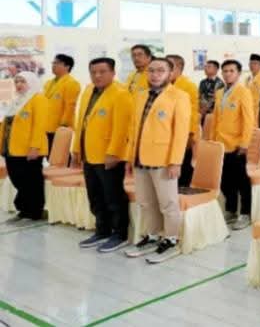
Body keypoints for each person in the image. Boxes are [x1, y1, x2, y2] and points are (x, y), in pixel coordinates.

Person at [124, 58, 190, 264]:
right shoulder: (140, 95)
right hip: (140, 158)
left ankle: (171, 239)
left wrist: (176, 161)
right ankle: (152, 236)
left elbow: (181, 133)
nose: (155, 74)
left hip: (164, 159)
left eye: (161, 70)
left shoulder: (179, 96)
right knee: (146, 201)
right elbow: (133, 129)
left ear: (170, 74)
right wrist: (129, 157)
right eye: (151, 70)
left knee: (168, 203)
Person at [72, 58, 133, 252]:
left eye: (102, 71)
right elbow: (80, 122)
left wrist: (114, 153)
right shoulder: (88, 91)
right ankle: (102, 230)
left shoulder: (121, 94)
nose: (97, 76)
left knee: (113, 196)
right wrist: (76, 148)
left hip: (108, 155)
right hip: (89, 153)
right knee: (95, 195)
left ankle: (119, 233)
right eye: (93, 72)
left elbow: (122, 129)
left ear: (113, 73)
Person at [213, 60, 255, 231]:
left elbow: (248, 120)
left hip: (237, 145)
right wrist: (212, 141)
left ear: (238, 73)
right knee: (225, 180)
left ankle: (245, 213)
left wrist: (244, 143)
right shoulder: (219, 92)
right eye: (225, 71)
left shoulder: (243, 92)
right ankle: (230, 210)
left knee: (241, 181)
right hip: (220, 144)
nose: (228, 74)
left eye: (231, 71)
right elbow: (216, 119)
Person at [1, 72, 48, 222]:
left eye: (22, 81)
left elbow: (39, 125)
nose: (19, 84)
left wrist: (34, 147)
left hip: (29, 149)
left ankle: (34, 212)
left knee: (31, 181)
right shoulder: (16, 101)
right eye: (16, 82)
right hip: (11, 148)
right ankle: (23, 210)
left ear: (31, 82)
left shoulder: (38, 99)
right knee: (17, 179)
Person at [166, 55, 200, 188]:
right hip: (167, 133)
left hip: (185, 134)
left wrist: (190, 135)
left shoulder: (188, 86)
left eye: (170, 65)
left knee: (184, 166)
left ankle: (184, 191)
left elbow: (193, 113)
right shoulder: (165, 85)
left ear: (179, 67)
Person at [43, 53, 81, 150]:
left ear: (67, 66)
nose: (53, 65)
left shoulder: (72, 83)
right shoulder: (48, 83)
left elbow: (70, 107)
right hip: (46, 126)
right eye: (53, 63)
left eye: (57, 63)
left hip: (60, 128)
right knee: (50, 155)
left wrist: (63, 126)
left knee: (61, 156)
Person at [198, 60, 224, 128]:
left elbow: (215, 99)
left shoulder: (219, 83)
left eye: (209, 67)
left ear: (216, 69)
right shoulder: (202, 82)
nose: (205, 69)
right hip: (202, 112)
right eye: (205, 67)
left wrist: (205, 109)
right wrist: (200, 109)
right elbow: (199, 96)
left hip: (212, 112)